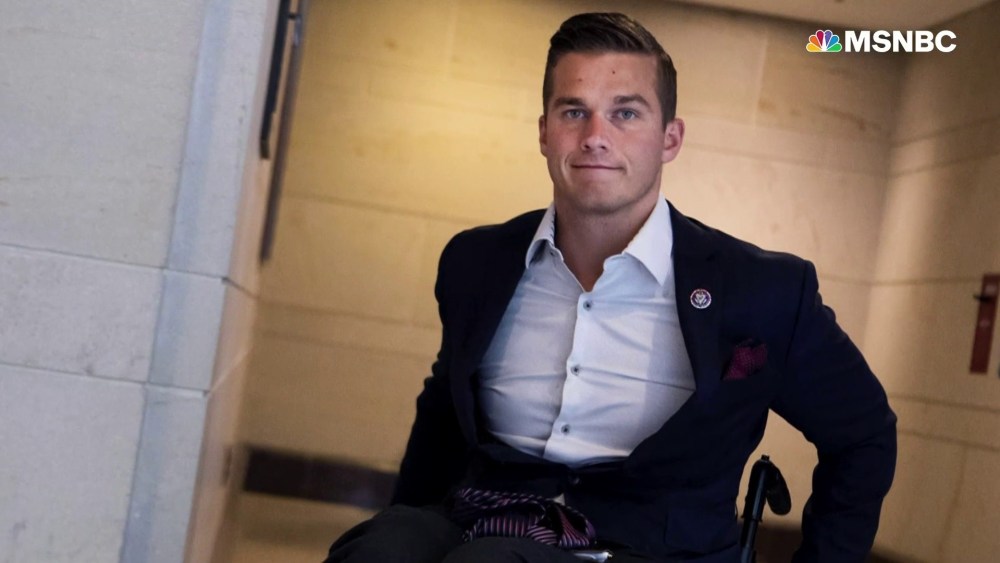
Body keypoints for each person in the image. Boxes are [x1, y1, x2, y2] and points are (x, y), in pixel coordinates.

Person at [325, 12, 896, 563]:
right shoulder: (475, 262)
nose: (595, 137)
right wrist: (408, 523)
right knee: (380, 548)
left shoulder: (763, 289)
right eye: (574, 111)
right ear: (544, 132)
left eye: (626, 113)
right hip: (487, 517)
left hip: (647, 547)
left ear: (670, 138)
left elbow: (863, 434)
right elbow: (444, 418)